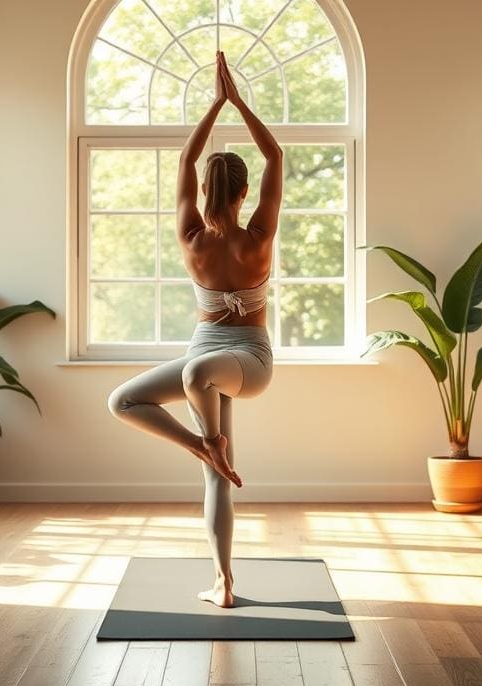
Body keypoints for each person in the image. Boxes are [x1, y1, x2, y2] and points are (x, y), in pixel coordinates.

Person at [107, 51, 283, 609]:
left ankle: (212, 445)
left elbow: (185, 158)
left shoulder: (209, 234)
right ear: (243, 192)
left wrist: (215, 107)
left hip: (246, 363)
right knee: (123, 400)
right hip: (204, 364)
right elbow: (274, 153)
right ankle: (223, 580)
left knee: (198, 372)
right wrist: (234, 102)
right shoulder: (244, 233)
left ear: (207, 190)